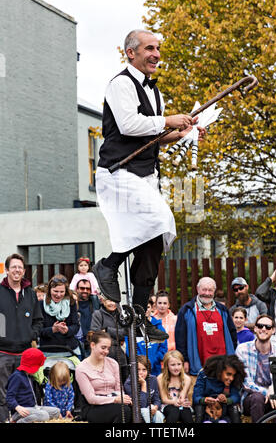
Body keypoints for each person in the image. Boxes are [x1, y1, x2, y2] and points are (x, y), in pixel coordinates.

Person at [92, 29, 206, 342]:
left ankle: (140, 315)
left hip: (144, 174)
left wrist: (185, 132)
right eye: (149, 48)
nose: (156, 54)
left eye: (157, 49)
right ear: (130, 53)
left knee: (154, 239)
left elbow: (152, 136)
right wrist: (169, 120)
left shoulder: (155, 93)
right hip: (118, 172)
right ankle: (109, 265)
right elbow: (129, 125)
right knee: (160, 220)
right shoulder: (120, 84)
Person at [0, 253, 43, 422]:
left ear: (24, 271)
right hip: (3, 352)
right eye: (13, 267)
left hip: (25, 354)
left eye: (20, 267)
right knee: (2, 394)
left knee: (25, 394)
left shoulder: (30, 294)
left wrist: (30, 334)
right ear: (7, 270)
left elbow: (38, 320)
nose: (17, 270)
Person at [175, 277, 237, 379]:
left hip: (222, 365)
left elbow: (232, 334)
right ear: (197, 289)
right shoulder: (186, 310)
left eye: (210, 290)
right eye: (204, 289)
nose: (207, 293)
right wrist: (184, 360)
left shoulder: (223, 310)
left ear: (214, 291)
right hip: (197, 364)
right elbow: (180, 339)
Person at [235, 314, 276, 423]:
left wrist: (273, 393)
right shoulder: (242, 349)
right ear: (255, 329)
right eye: (260, 326)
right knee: (258, 398)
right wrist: (266, 392)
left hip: (273, 396)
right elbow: (245, 382)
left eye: (268, 327)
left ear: (273, 331)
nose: (263, 329)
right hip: (251, 399)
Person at [75, 330, 132, 423]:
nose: (106, 351)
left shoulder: (113, 363)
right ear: (92, 345)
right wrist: (114, 399)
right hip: (93, 407)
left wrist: (124, 398)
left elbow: (119, 389)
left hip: (114, 403)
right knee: (123, 411)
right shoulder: (81, 368)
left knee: (134, 410)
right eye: (103, 347)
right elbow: (91, 399)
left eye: (108, 348)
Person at [6, 347, 60, 423]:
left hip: (34, 408)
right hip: (22, 410)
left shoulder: (29, 375)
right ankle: (18, 421)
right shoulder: (17, 376)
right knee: (44, 415)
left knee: (56, 411)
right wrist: (17, 407)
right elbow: (9, 397)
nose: (38, 369)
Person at [193, 354, 246, 423]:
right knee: (199, 408)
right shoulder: (204, 375)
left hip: (224, 410)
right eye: (228, 374)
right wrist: (205, 400)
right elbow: (196, 397)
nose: (231, 378)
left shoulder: (233, 380)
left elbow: (236, 396)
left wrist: (226, 400)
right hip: (207, 410)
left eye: (233, 375)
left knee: (234, 408)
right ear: (220, 371)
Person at [39, 274, 80, 357]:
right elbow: (37, 330)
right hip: (48, 350)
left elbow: (76, 326)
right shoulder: (40, 305)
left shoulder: (71, 303)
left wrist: (67, 330)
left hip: (69, 349)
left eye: (62, 292)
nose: (58, 295)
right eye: (55, 291)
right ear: (49, 290)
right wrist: (53, 329)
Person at [90, 297, 128, 382]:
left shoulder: (121, 315)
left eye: (114, 301)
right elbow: (96, 333)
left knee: (122, 382)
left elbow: (124, 333)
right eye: (109, 300)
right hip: (103, 354)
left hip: (119, 354)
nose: (112, 303)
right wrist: (115, 334)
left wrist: (107, 330)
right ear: (103, 301)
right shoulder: (97, 314)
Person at [124, 355, 164, 423]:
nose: (141, 373)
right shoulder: (128, 383)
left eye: (144, 370)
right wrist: (143, 384)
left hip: (150, 409)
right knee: (145, 411)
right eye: (138, 369)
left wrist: (155, 407)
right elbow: (141, 405)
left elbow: (157, 399)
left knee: (158, 415)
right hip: (136, 412)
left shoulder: (153, 379)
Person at [157, 350, 193, 423]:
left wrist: (181, 401)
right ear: (167, 365)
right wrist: (174, 402)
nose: (176, 368)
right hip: (168, 404)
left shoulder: (186, 379)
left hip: (182, 404)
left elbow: (182, 396)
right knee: (174, 411)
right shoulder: (160, 378)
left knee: (185, 413)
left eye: (179, 364)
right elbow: (164, 399)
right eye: (173, 365)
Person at [76, 279, 100, 358]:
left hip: (92, 342)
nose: (85, 291)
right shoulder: (73, 303)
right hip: (77, 343)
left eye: (88, 289)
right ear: (77, 289)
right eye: (82, 288)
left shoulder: (95, 303)